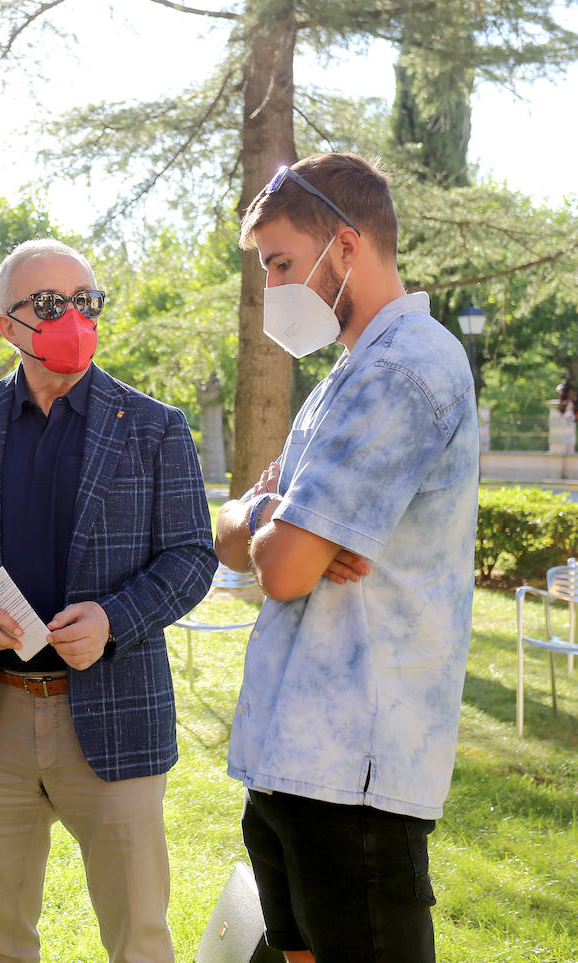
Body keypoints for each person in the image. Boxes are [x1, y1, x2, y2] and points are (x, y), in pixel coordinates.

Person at [0, 238, 216, 963]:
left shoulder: (156, 426)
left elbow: (192, 556)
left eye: (86, 301)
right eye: (49, 305)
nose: (72, 316)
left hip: (114, 710)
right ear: (8, 324)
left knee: (139, 935)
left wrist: (115, 618)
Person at [214, 153, 478, 963]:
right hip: (292, 763)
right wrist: (266, 516)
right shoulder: (345, 376)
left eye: (283, 263)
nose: (274, 290)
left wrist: (272, 534)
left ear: (348, 244)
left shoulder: (403, 370)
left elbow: (283, 570)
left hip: (354, 774)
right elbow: (241, 538)